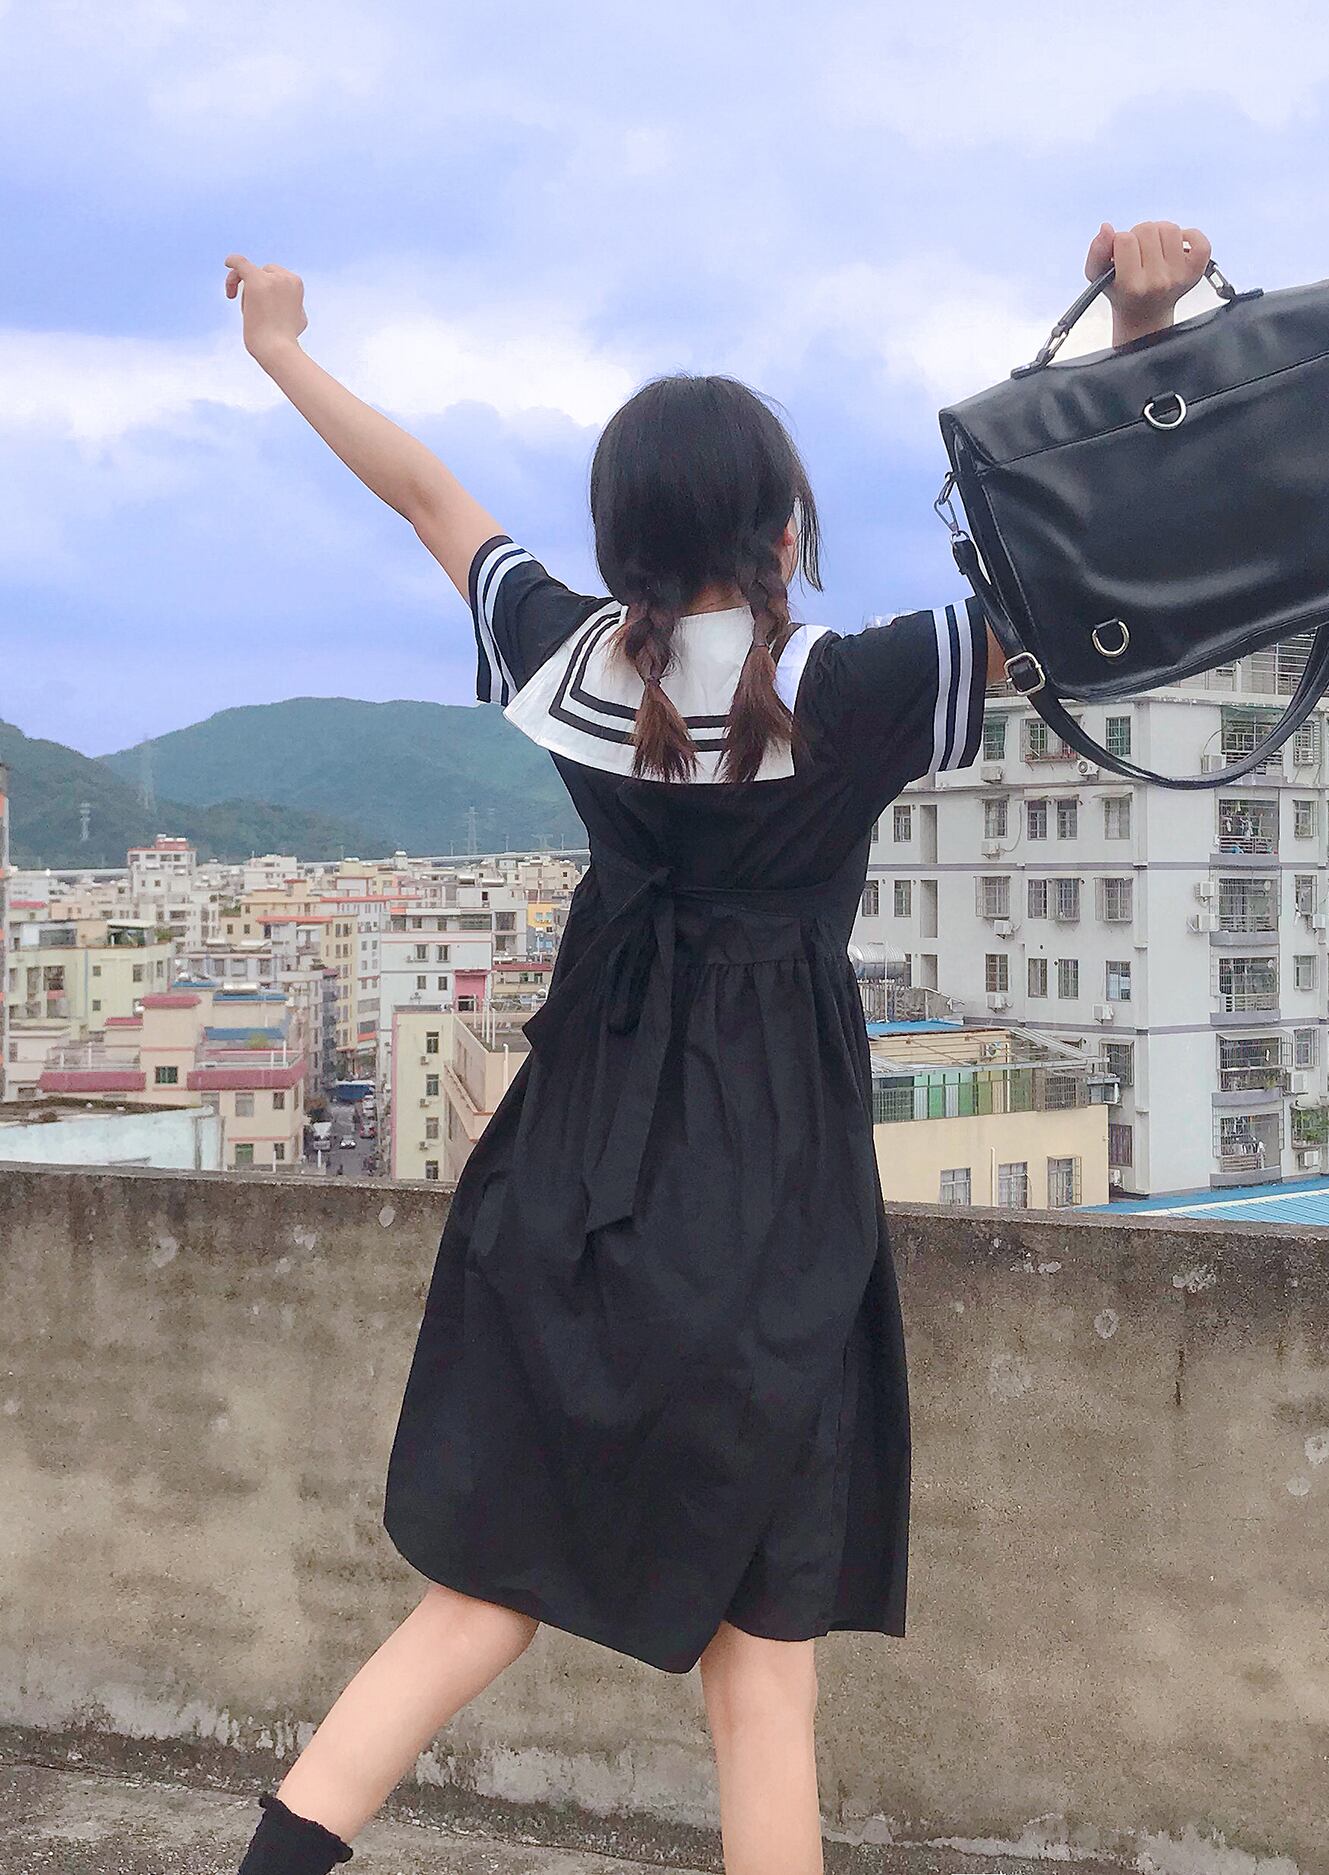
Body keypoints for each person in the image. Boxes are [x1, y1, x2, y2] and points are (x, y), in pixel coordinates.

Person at [224, 219, 1210, 1875]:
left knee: (476, 1602)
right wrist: (1142, 332)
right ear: (786, 528)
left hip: (571, 1171)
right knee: (763, 1679)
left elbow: (422, 494)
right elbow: (1091, 568)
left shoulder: (562, 662)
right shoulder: (860, 686)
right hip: (771, 1206)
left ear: (617, 538)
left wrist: (278, 347)